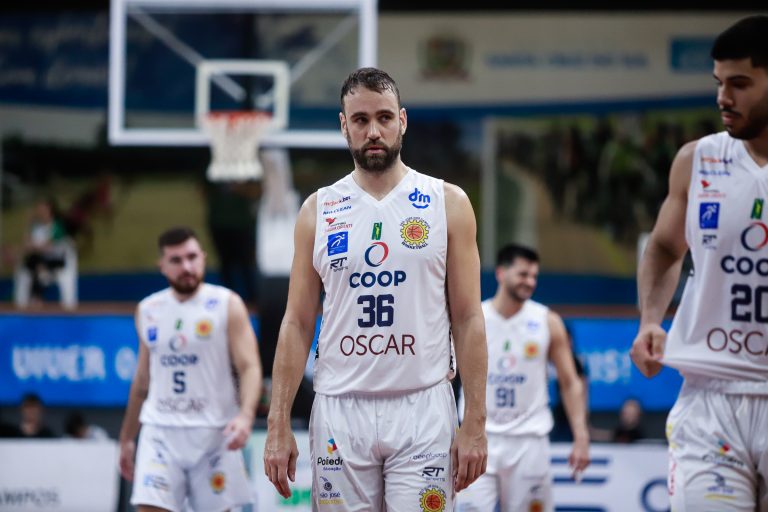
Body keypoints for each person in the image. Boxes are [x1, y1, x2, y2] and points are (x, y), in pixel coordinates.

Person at [263, 67, 488, 510]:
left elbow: (468, 318)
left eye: (384, 118)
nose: (373, 131)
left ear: (402, 121)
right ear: (343, 125)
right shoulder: (317, 210)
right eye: (360, 120)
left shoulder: (448, 202)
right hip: (340, 408)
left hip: (423, 405)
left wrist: (476, 421)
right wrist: (277, 421)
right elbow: (297, 322)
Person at [630, 15, 768, 511]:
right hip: (710, 401)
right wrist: (650, 319)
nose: (723, 98)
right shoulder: (698, 160)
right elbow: (666, 248)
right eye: (718, 83)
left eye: (740, 84)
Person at [118, 226, 263, 512]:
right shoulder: (148, 309)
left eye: (192, 257)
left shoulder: (227, 304)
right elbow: (142, 380)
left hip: (214, 434)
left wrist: (246, 416)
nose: (186, 266)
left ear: (203, 258)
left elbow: (249, 367)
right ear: (162, 266)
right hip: (160, 431)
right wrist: (126, 438)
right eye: (176, 260)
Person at [456, 244, 590, 512]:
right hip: (479, 436)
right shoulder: (474, 318)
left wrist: (581, 435)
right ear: (501, 273)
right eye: (523, 274)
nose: (530, 282)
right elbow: (448, 374)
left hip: (529, 440)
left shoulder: (547, 321)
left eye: (534, 276)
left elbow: (570, 382)